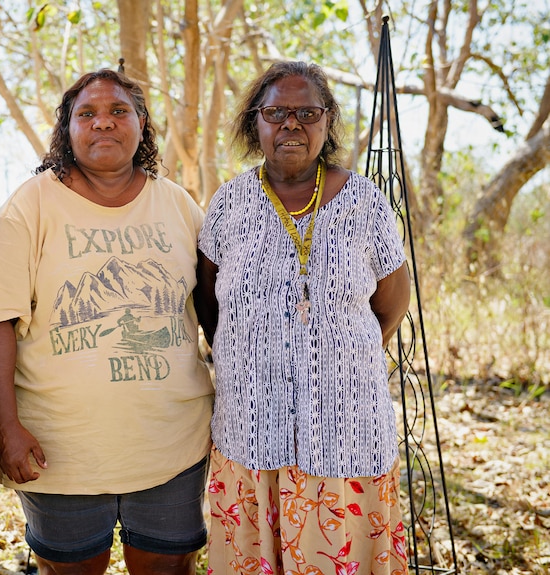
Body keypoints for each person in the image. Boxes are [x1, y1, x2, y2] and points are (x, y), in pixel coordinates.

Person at [0, 68, 214, 575]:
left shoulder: (179, 206)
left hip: (171, 441)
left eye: (118, 111)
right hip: (60, 448)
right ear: (67, 129)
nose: (103, 123)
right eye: (86, 114)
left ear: (141, 123)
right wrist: (7, 427)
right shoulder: (29, 207)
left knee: (169, 567)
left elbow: (215, 316)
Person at [195, 61, 411, 575]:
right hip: (250, 428)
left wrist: (334, 358)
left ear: (328, 121)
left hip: (346, 430)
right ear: (256, 123)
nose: (291, 124)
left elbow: (391, 304)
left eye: (307, 112)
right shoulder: (228, 204)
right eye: (276, 112)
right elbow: (209, 304)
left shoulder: (366, 202)